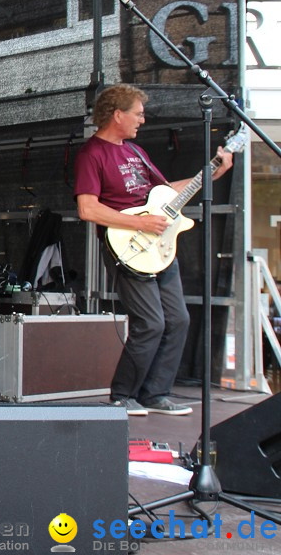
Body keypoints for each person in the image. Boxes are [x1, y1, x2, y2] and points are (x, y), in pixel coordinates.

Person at [74, 84, 232, 416]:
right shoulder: (92, 154)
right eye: (138, 113)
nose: (142, 120)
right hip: (129, 246)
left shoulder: (136, 152)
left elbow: (166, 192)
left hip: (159, 246)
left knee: (178, 320)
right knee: (150, 323)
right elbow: (88, 209)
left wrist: (211, 172)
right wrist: (139, 225)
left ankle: (154, 393)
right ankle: (122, 395)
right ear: (118, 114)